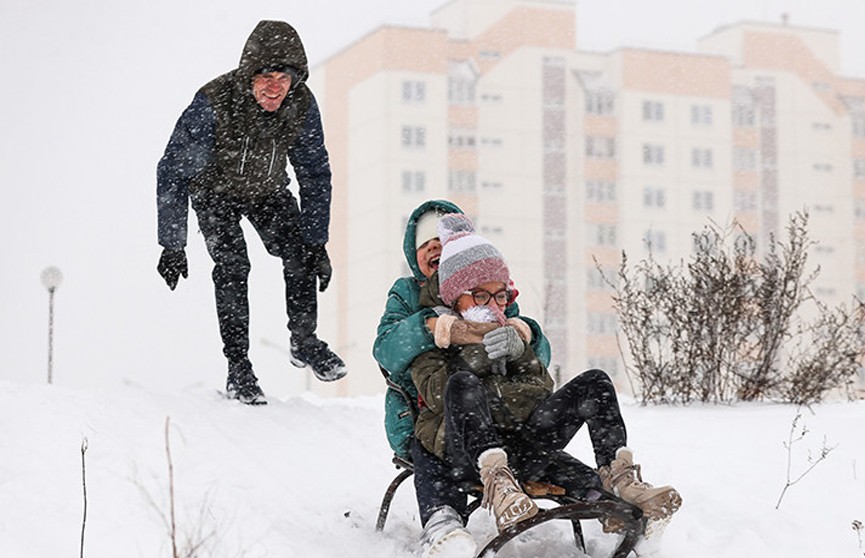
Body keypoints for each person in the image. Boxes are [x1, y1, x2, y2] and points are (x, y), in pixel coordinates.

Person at [377, 209, 682, 558]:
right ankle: (489, 493)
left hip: (521, 443)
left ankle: (621, 482)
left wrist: (519, 345)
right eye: (479, 296)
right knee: (462, 386)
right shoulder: (430, 327)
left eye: (500, 296)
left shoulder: (508, 322)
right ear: (453, 293)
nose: (492, 305)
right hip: (463, 450)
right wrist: (471, 346)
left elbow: (540, 386)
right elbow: (432, 387)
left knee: (594, 383)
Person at [156, 20, 346, 405]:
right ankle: (238, 367)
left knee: (300, 251)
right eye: (265, 77)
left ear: (295, 80)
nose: (274, 87)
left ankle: (304, 341)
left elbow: (313, 173)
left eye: (283, 78)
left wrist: (316, 240)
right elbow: (173, 170)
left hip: (267, 192)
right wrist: (173, 243)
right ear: (249, 76)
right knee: (233, 266)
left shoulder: (301, 106)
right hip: (214, 192)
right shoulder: (214, 102)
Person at [373, 201, 551, 557]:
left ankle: (604, 492)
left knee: (521, 427)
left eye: (443, 244)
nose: (437, 252)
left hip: (489, 412)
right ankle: (443, 520)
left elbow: (538, 360)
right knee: (433, 438)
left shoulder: (488, 287)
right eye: (428, 247)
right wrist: (435, 327)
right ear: (416, 254)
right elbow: (386, 349)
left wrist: (522, 334)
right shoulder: (408, 293)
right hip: (421, 411)